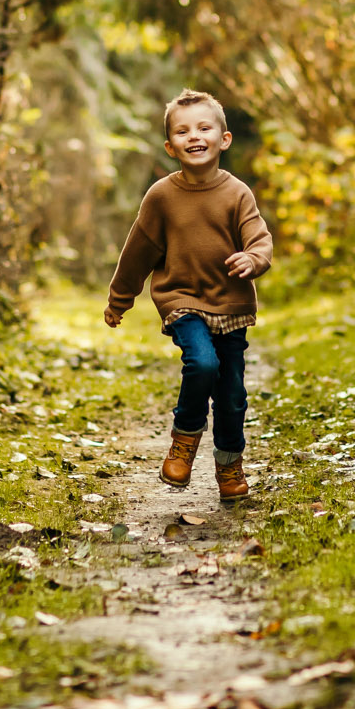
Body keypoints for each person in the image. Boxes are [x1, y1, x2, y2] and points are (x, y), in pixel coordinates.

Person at [103, 89, 272, 502]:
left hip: (230, 306)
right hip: (181, 300)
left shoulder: (237, 194)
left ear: (223, 139)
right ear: (170, 145)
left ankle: (230, 465)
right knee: (201, 363)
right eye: (182, 130)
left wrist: (253, 259)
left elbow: (260, 239)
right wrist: (119, 299)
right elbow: (137, 252)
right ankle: (185, 438)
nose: (193, 136)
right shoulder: (161, 196)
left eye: (203, 127)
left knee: (232, 395)